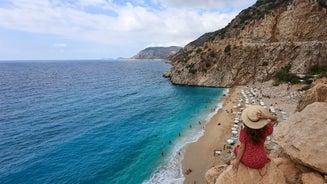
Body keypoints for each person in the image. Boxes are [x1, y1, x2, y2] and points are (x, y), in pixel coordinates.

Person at [232, 105, 277, 170]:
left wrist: (237, 160)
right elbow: (275, 119)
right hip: (262, 160)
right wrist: (266, 117)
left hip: (249, 161)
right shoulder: (265, 129)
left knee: (237, 148)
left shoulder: (244, 132)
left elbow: (242, 148)